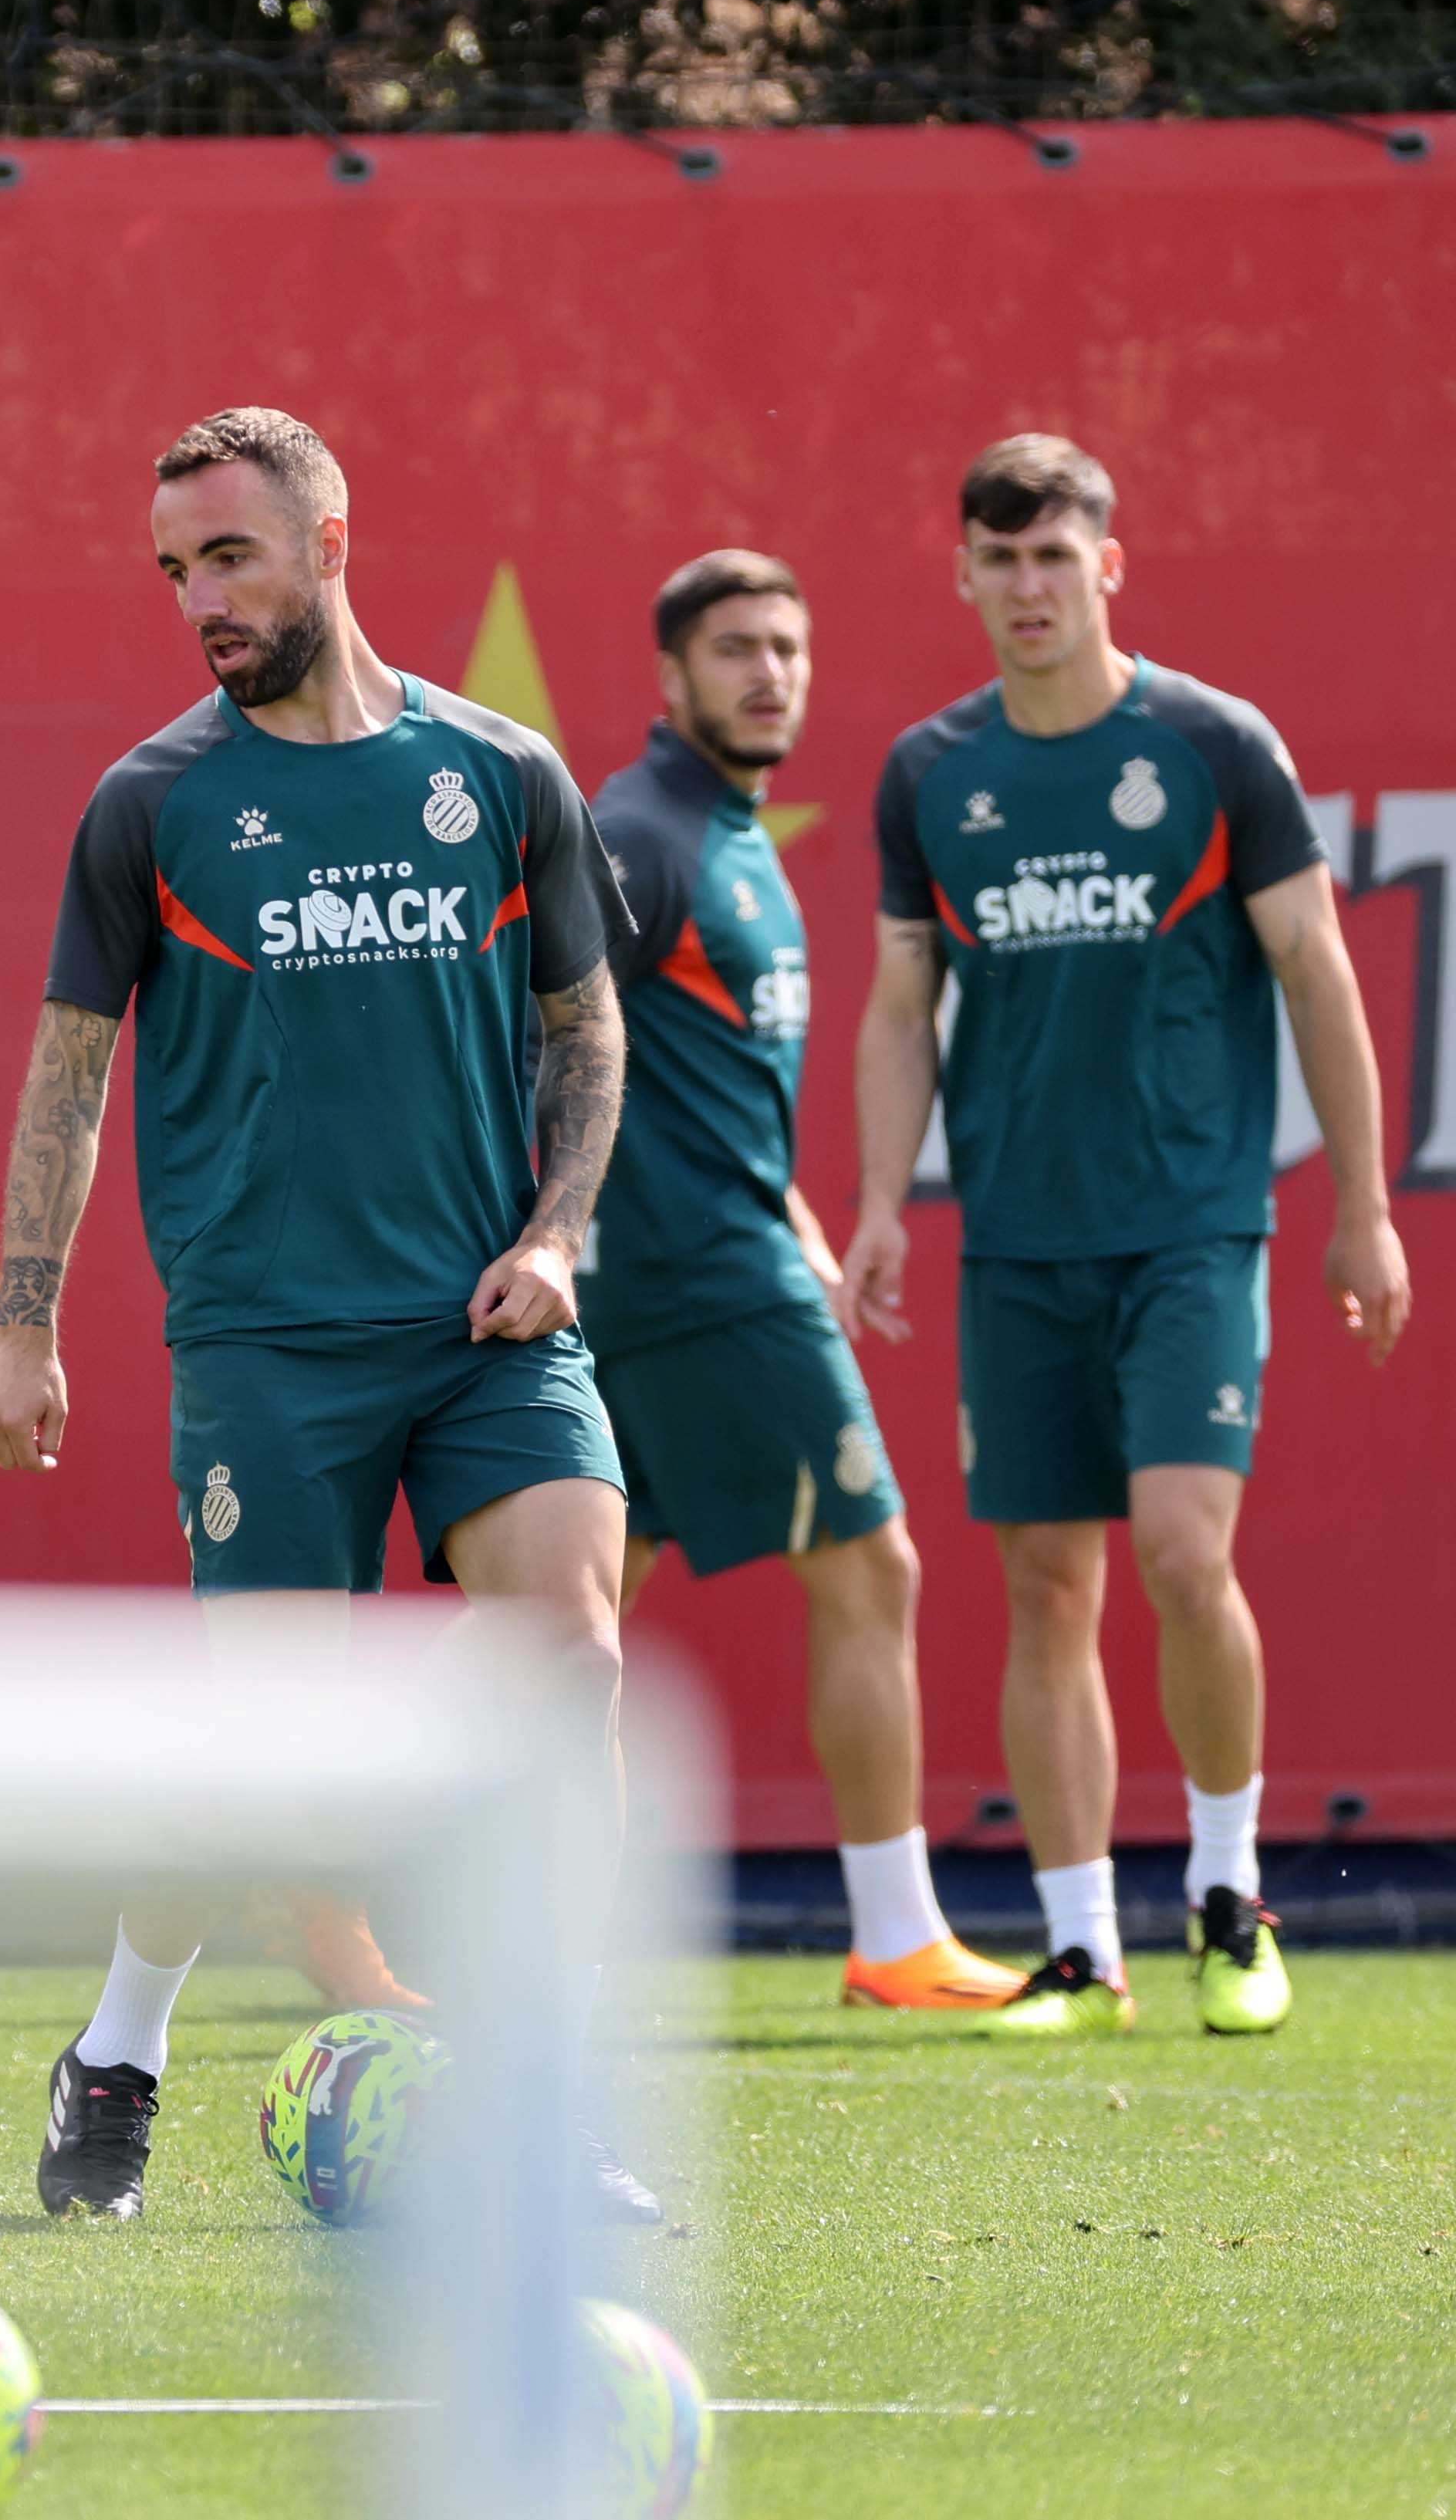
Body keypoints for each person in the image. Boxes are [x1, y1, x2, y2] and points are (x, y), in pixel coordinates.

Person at [0, 407, 652, 2223]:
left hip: (489, 1322)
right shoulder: (152, 802)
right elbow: (69, 1075)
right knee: (268, 1756)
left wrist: (562, 1231)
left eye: (231, 555)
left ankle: (548, 2101)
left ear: (331, 540)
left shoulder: (501, 773)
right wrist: (26, 1317)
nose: (200, 596)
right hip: (266, 1341)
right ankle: (120, 2046)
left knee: (575, 1659)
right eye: (175, 569)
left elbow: (587, 1029)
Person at [846, 436, 1408, 2039]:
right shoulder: (929, 770)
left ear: (1108, 565)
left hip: (1190, 1225)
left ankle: (1229, 1896)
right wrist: (882, 1200)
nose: (1029, 586)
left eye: (1055, 556)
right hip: (1019, 1239)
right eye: (1001, 558)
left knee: (1180, 1549)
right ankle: (1084, 1952)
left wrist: (1363, 1205)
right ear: (964, 573)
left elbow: (1316, 969)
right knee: (1044, 1583)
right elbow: (901, 1004)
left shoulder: (1215, 745)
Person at [585, 552, 1020, 2011]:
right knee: (872, 1568)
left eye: (788, 646)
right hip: (694, 1277)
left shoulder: (730, 831)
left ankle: (399, 1896)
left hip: (711, 1258)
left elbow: (699, 1079)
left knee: (569, 1621)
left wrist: (801, 1220)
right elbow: (534, 1036)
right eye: (735, 649)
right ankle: (896, 1933)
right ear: (671, 676)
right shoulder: (639, 835)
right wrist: (570, 1232)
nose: (769, 673)